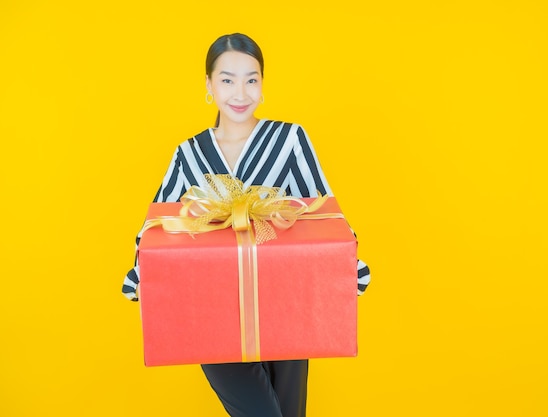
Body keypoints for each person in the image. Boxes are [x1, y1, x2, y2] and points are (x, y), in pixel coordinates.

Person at [122, 33, 371, 417]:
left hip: (286, 300)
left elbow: (324, 213)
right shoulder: (188, 154)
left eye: (251, 79)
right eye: (227, 79)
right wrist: (142, 276)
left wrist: (345, 269)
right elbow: (159, 224)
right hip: (209, 307)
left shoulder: (290, 139)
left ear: (262, 85)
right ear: (208, 85)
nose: (240, 92)